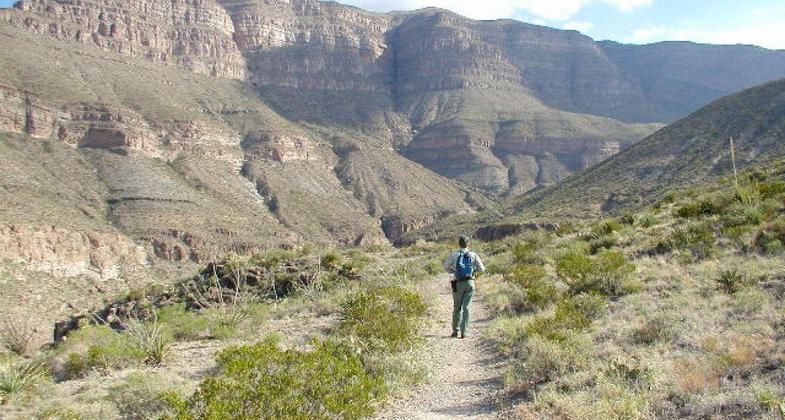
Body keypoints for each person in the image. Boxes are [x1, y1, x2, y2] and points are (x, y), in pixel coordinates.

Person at [443, 235, 485, 339]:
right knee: (467, 307)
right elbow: (482, 269)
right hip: (470, 282)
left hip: (458, 283)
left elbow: (446, 266)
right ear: (468, 244)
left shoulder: (454, 254)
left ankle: (455, 331)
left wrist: (454, 272)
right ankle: (464, 331)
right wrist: (474, 272)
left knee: (457, 307)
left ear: (459, 244)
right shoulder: (473, 255)